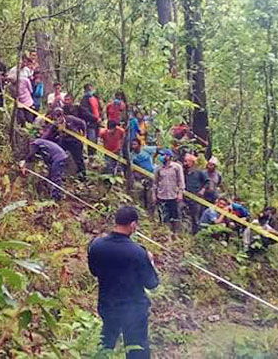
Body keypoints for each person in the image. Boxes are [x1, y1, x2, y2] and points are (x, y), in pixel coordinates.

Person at [88, 206, 159, 359]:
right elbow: (151, 283)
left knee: (105, 344)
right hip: (133, 310)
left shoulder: (96, 245)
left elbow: (94, 271)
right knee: (137, 349)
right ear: (133, 225)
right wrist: (150, 261)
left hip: (107, 305)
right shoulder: (138, 252)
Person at [42, 108, 87, 180]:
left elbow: (83, 123)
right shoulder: (55, 124)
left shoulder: (71, 119)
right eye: (56, 118)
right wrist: (41, 140)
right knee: (58, 154)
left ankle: (83, 176)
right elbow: (48, 133)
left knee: (78, 159)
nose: (58, 119)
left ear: (62, 115)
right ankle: (58, 173)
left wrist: (83, 135)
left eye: (59, 117)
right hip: (64, 141)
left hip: (75, 141)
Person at [154, 149, 184, 232]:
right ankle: (164, 231)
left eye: (163, 155)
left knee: (174, 216)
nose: (161, 157)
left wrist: (180, 193)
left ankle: (174, 232)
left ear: (169, 156)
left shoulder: (177, 167)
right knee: (163, 216)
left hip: (173, 195)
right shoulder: (158, 168)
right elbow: (155, 183)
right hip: (161, 195)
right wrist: (154, 195)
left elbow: (181, 181)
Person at [182, 154, 209, 234]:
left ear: (192, 162)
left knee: (195, 217)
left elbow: (207, 182)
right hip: (184, 198)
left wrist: (203, 190)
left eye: (186, 161)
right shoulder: (183, 172)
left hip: (196, 199)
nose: (185, 163)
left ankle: (196, 234)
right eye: (184, 161)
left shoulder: (199, 172)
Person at [80, 84, 102, 156]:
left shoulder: (95, 98)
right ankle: (91, 155)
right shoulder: (84, 100)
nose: (90, 90)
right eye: (89, 89)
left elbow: (99, 109)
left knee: (95, 140)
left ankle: (94, 155)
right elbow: (85, 112)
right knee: (91, 140)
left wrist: (101, 117)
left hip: (97, 123)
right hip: (90, 123)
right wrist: (95, 118)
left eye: (91, 89)